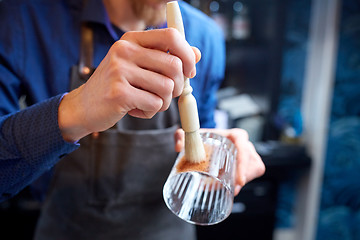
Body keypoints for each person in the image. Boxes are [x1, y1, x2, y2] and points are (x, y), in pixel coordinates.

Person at [0, 0, 265, 239]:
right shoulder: (23, 20)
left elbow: (200, 133)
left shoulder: (206, 35)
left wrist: (217, 157)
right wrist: (76, 109)